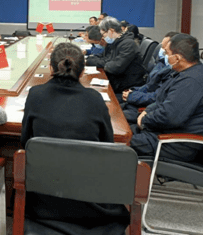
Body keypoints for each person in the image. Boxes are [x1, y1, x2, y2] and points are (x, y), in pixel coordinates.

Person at [21, 42, 130, 234]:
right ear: (82, 72)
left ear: (51, 69)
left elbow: (25, 143)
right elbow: (107, 148)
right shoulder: (95, 99)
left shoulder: (35, 95)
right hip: (92, 204)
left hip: (43, 200)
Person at [131, 34, 203, 162]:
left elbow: (169, 116)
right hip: (164, 133)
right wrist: (147, 112)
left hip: (174, 143)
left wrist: (145, 120)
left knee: (115, 140)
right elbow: (160, 99)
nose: (165, 56)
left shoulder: (191, 82)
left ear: (177, 58)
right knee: (116, 131)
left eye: (167, 53)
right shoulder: (185, 73)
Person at [120, 32, 179, 123]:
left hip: (147, 108)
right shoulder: (162, 62)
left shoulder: (174, 71)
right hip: (143, 101)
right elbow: (149, 86)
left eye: (165, 50)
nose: (162, 51)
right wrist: (133, 91)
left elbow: (158, 97)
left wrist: (133, 96)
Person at [86, 16, 145, 94]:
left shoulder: (128, 44)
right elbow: (103, 57)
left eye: (103, 34)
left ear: (111, 31)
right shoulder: (114, 43)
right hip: (116, 82)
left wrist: (105, 63)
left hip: (126, 87)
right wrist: (90, 60)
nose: (103, 37)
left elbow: (115, 67)